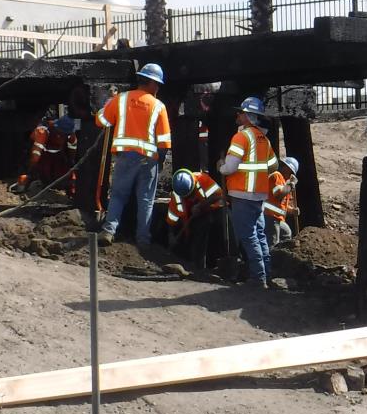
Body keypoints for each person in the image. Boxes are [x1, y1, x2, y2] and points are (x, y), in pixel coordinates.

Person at [95, 64, 171, 247]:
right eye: (157, 84)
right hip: (149, 160)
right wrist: (158, 161)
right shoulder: (158, 106)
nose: (158, 88)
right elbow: (165, 142)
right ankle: (143, 240)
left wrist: (106, 104)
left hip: (125, 158)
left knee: (118, 195)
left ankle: (108, 231)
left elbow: (101, 121)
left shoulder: (121, 100)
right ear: (152, 83)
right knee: (146, 200)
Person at [219, 96, 278, 288]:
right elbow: (273, 166)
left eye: (241, 112)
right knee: (259, 234)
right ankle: (266, 275)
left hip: (242, 194)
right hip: (259, 195)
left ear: (248, 116)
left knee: (248, 235)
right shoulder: (264, 139)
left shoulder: (241, 137)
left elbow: (230, 168)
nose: (238, 115)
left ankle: (258, 278)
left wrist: (220, 166)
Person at [166, 168, 229, 272]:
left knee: (219, 228)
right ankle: (199, 268)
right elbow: (171, 219)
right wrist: (171, 235)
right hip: (197, 219)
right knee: (199, 234)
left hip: (216, 210)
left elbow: (218, 195)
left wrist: (200, 205)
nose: (190, 197)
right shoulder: (176, 196)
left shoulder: (203, 179)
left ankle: (223, 260)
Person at [14, 109, 77, 196]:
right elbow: (34, 158)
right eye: (60, 134)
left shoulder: (70, 135)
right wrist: (30, 173)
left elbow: (72, 151)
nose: (61, 137)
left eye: (64, 135)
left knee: (69, 175)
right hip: (41, 156)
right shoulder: (42, 132)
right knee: (33, 173)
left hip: (57, 156)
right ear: (55, 128)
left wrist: (71, 165)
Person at [264, 156, 300, 244]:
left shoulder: (284, 184)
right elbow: (278, 195)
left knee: (286, 234)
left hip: (277, 217)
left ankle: (282, 255)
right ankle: (271, 257)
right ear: (286, 168)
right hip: (269, 215)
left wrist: (292, 211)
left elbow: (282, 205)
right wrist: (291, 185)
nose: (291, 175)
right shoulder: (276, 176)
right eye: (291, 172)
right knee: (273, 242)